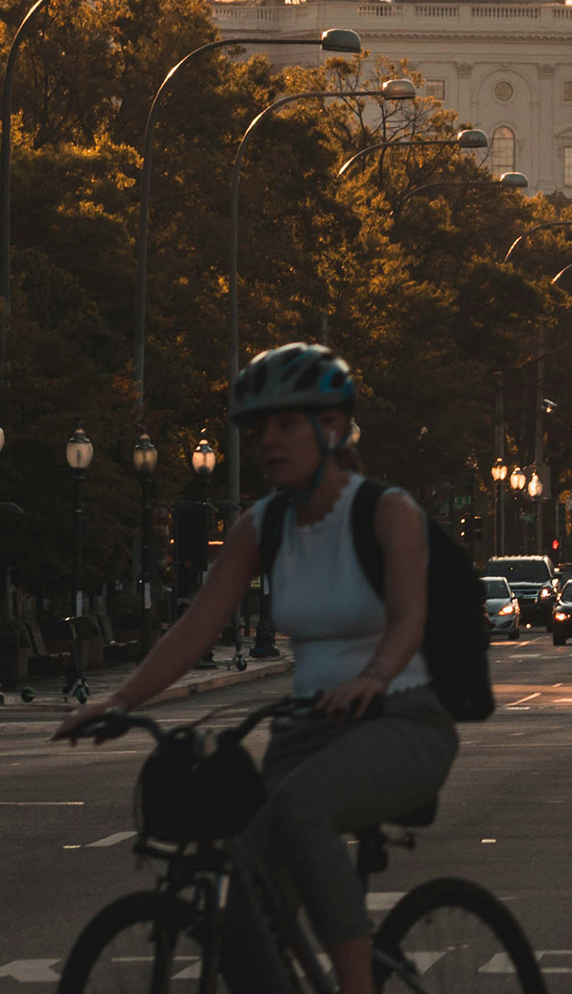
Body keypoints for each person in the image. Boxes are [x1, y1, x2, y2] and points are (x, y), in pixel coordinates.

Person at [55, 343, 453, 994]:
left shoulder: (386, 512)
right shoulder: (260, 527)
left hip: (400, 722)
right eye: (257, 429)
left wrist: (374, 676)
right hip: (306, 732)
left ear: (332, 428)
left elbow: (411, 615)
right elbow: (195, 628)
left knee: (299, 809)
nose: (268, 441)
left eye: (286, 424)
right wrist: (122, 700)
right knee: (245, 916)